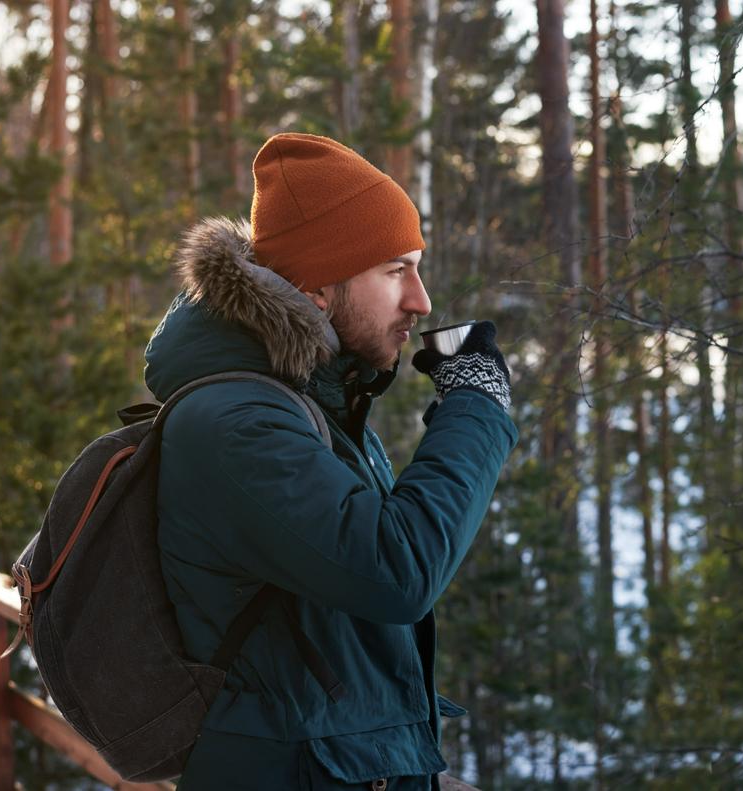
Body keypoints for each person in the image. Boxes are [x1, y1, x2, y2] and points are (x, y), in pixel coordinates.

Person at [143, 132, 518, 789]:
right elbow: (395, 569)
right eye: (396, 268)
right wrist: (478, 407)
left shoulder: (311, 401)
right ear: (315, 286)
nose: (421, 300)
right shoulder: (238, 424)